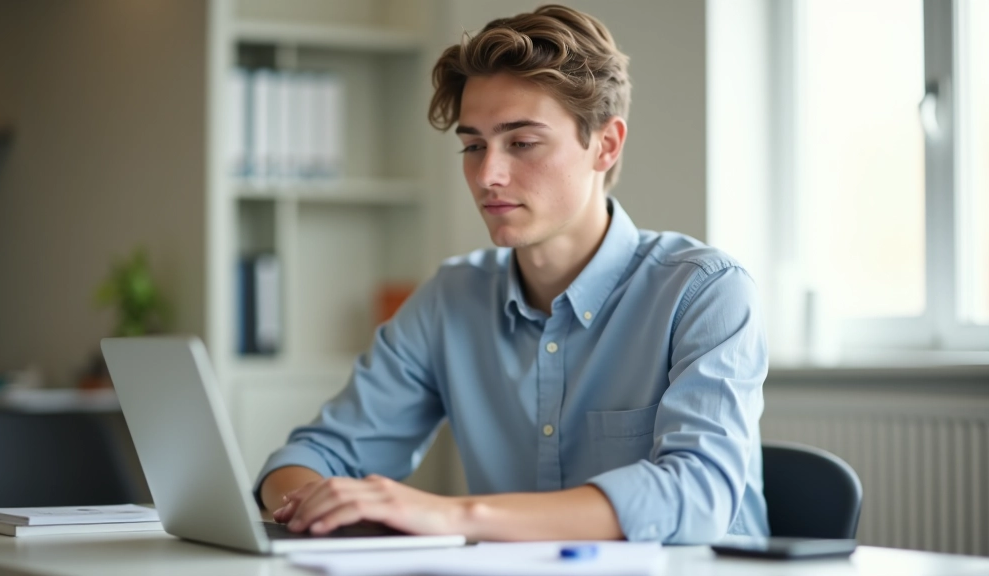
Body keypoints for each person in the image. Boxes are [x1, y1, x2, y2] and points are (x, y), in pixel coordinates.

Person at [255, 4, 769, 543]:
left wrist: (454, 516)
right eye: (473, 145)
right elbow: (315, 454)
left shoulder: (704, 292)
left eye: (521, 143)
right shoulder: (451, 299)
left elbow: (697, 495)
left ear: (606, 144)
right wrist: (314, 500)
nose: (487, 175)